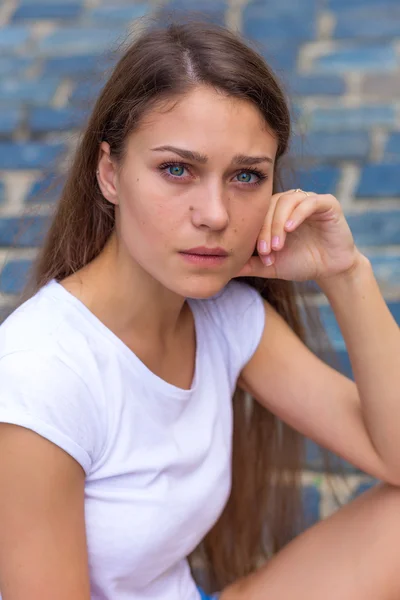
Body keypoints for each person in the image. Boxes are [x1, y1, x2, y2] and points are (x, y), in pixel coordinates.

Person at [0, 15, 400, 600]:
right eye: (177, 169)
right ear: (110, 173)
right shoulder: (42, 375)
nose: (215, 213)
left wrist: (345, 273)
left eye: (244, 176)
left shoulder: (225, 318)